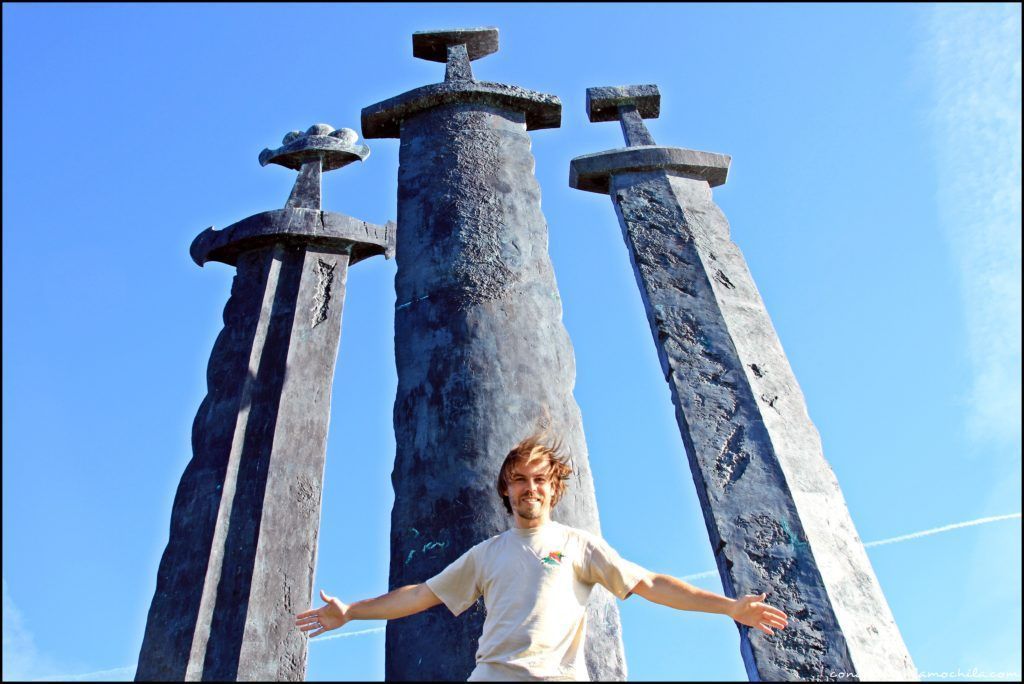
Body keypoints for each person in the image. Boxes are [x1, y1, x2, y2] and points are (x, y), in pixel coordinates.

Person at [295, 433, 789, 681]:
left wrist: (729, 607)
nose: (529, 488)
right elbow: (421, 595)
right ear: (506, 491)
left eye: (539, 480)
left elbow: (651, 584)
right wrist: (351, 611)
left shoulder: (579, 545)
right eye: (519, 480)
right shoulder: (485, 555)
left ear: (553, 491)